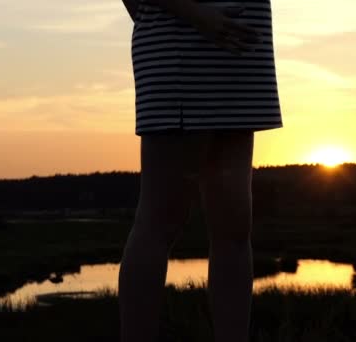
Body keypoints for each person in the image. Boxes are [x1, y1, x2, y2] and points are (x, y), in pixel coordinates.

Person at [118, 0, 283, 342]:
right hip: (182, 48)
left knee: (235, 228)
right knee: (159, 222)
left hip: (239, 52)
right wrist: (196, 15)